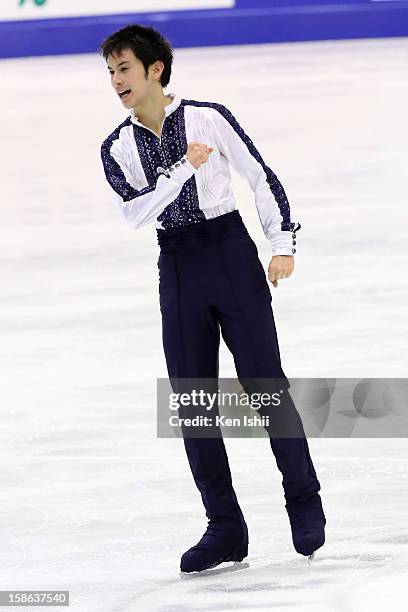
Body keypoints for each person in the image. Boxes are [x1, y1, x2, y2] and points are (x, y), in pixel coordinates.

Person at [99, 24, 326, 573]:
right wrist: (180, 172)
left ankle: (303, 500)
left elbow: (259, 176)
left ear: (155, 69)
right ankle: (224, 526)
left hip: (228, 254)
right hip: (176, 264)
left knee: (265, 385)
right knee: (193, 401)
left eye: (124, 68)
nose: (116, 81)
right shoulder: (117, 147)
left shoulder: (208, 117)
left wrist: (282, 243)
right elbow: (135, 213)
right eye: (110, 73)